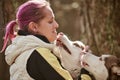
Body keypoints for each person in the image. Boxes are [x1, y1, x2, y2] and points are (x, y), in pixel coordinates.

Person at [1, 0, 73, 80]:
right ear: (34, 27)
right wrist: (86, 72)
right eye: (50, 21)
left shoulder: (21, 54)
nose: (56, 25)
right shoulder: (40, 54)